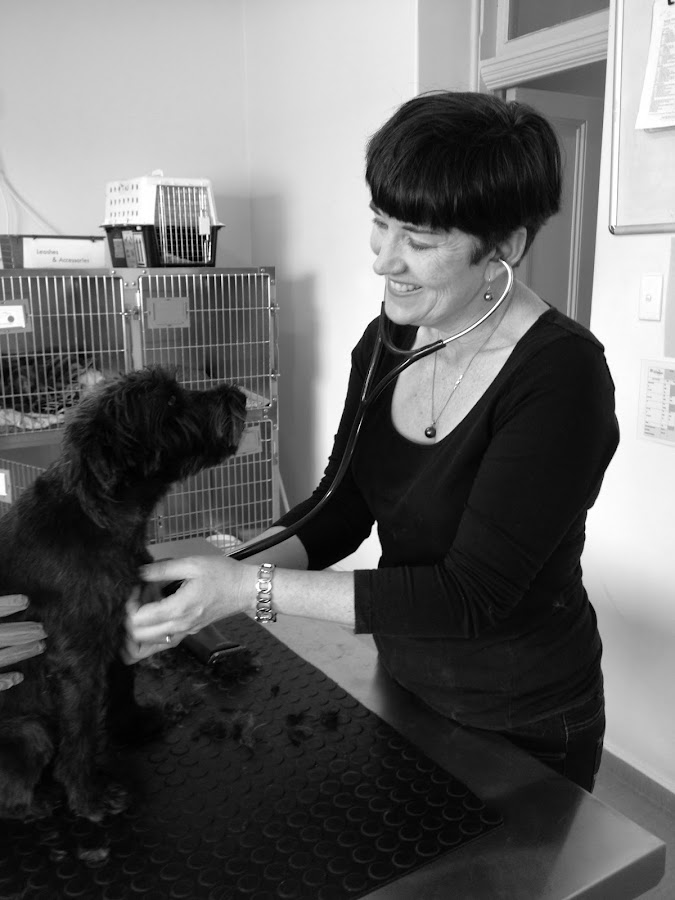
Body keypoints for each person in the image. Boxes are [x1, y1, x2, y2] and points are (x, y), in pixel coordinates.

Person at [133, 92, 615, 791]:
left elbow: (467, 597)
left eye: (419, 241)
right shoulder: (389, 340)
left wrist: (248, 590)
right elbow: (339, 507)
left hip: (520, 717)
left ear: (503, 248)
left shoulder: (561, 378)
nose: (384, 261)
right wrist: (210, 575)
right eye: (380, 224)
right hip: (406, 681)